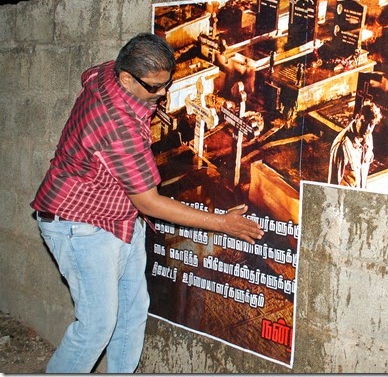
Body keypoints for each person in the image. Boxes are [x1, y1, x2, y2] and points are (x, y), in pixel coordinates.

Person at [30, 33, 264, 374]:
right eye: (154, 87)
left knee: (132, 312)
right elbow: (150, 202)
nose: (162, 94)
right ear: (127, 78)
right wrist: (222, 224)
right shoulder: (116, 125)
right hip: (78, 224)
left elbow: (99, 73)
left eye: (166, 83)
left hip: (119, 218)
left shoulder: (109, 73)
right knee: (96, 326)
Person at [328, 102, 383, 188]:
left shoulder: (368, 137)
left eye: (371, 125)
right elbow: (333, 185)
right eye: (364, 122)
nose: (367, 128)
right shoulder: (342, 146)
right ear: (357, 117)